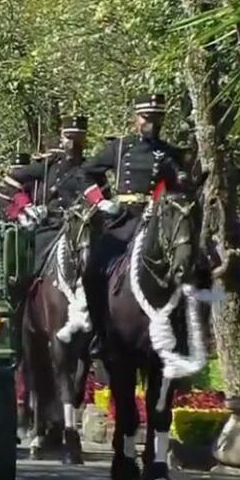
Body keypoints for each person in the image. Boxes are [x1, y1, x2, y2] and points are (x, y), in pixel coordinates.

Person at [82, 94, 187, 357]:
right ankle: (100, 333)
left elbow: (179, 188)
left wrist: (165, 198)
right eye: (146, 117)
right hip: (124, 218)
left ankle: (185, 335)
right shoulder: (119, 148)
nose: (150, 123)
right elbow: (87, 172)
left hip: (157, 219)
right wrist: (101, 201)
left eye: (156, 118)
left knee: (189, 266)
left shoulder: (171, 153)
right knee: (93, 270)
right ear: (136, 119)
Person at [2, 115, 102, 273]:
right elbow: (11, 179)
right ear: (62, 137)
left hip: (83, 228)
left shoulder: (92, 168)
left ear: (84, 140)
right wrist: (26, 206)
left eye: (77, 138)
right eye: (69, 137)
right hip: (52, 225)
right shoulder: (49, 165)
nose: (72, 143)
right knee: (32, 265)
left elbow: (103, 200)